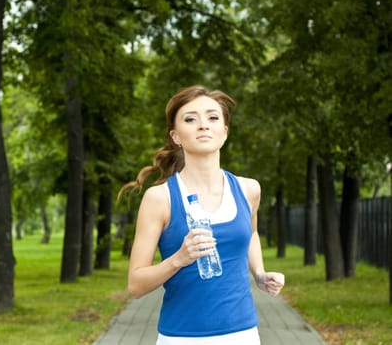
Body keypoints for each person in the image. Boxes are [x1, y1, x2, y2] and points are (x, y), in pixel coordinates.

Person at [119, 85, 285, 345]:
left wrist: (260, 274)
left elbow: (251, 233)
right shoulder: (160, 199)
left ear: (225, 131)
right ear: (176, 136)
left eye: (213, 117)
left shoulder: (248, 189)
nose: (203, 125)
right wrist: (179, 259)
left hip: (242, 334)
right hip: (181, 337)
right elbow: (135, 285)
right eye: (190, 119)